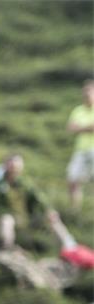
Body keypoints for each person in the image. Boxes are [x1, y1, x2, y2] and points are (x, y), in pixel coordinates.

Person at [0, 153, 56, 251]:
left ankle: (69, 246)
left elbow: (39, 198)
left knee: (52, 217)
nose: (14, 170)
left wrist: (48, 209)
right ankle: (7, 248)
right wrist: (12, 215)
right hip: (10, 218)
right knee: (6, 220)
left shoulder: (25, 183)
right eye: (12, 167)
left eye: (17, 167)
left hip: (27, 219)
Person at [66, 80, 94, 209]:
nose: (86, 95)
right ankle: (75, 209)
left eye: (89, 92)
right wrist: (88, 128)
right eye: (85, 92)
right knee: (72, 178)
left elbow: (77, 128)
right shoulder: (78, 110)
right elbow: (70, 128)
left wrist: (80, 128)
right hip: (80, 150)